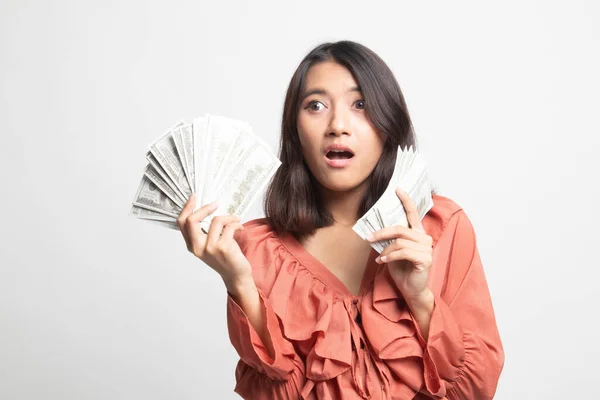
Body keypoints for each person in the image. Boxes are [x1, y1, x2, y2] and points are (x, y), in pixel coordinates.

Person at [177, 40, 505, 399]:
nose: (337, 125)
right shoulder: (257, 250)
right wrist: (239, 283)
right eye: (315, 105)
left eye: (360, 104)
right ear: (295, 130)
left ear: (388, 123)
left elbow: (475, 390)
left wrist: (420, 298)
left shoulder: (442, 227)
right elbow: (273, 394)